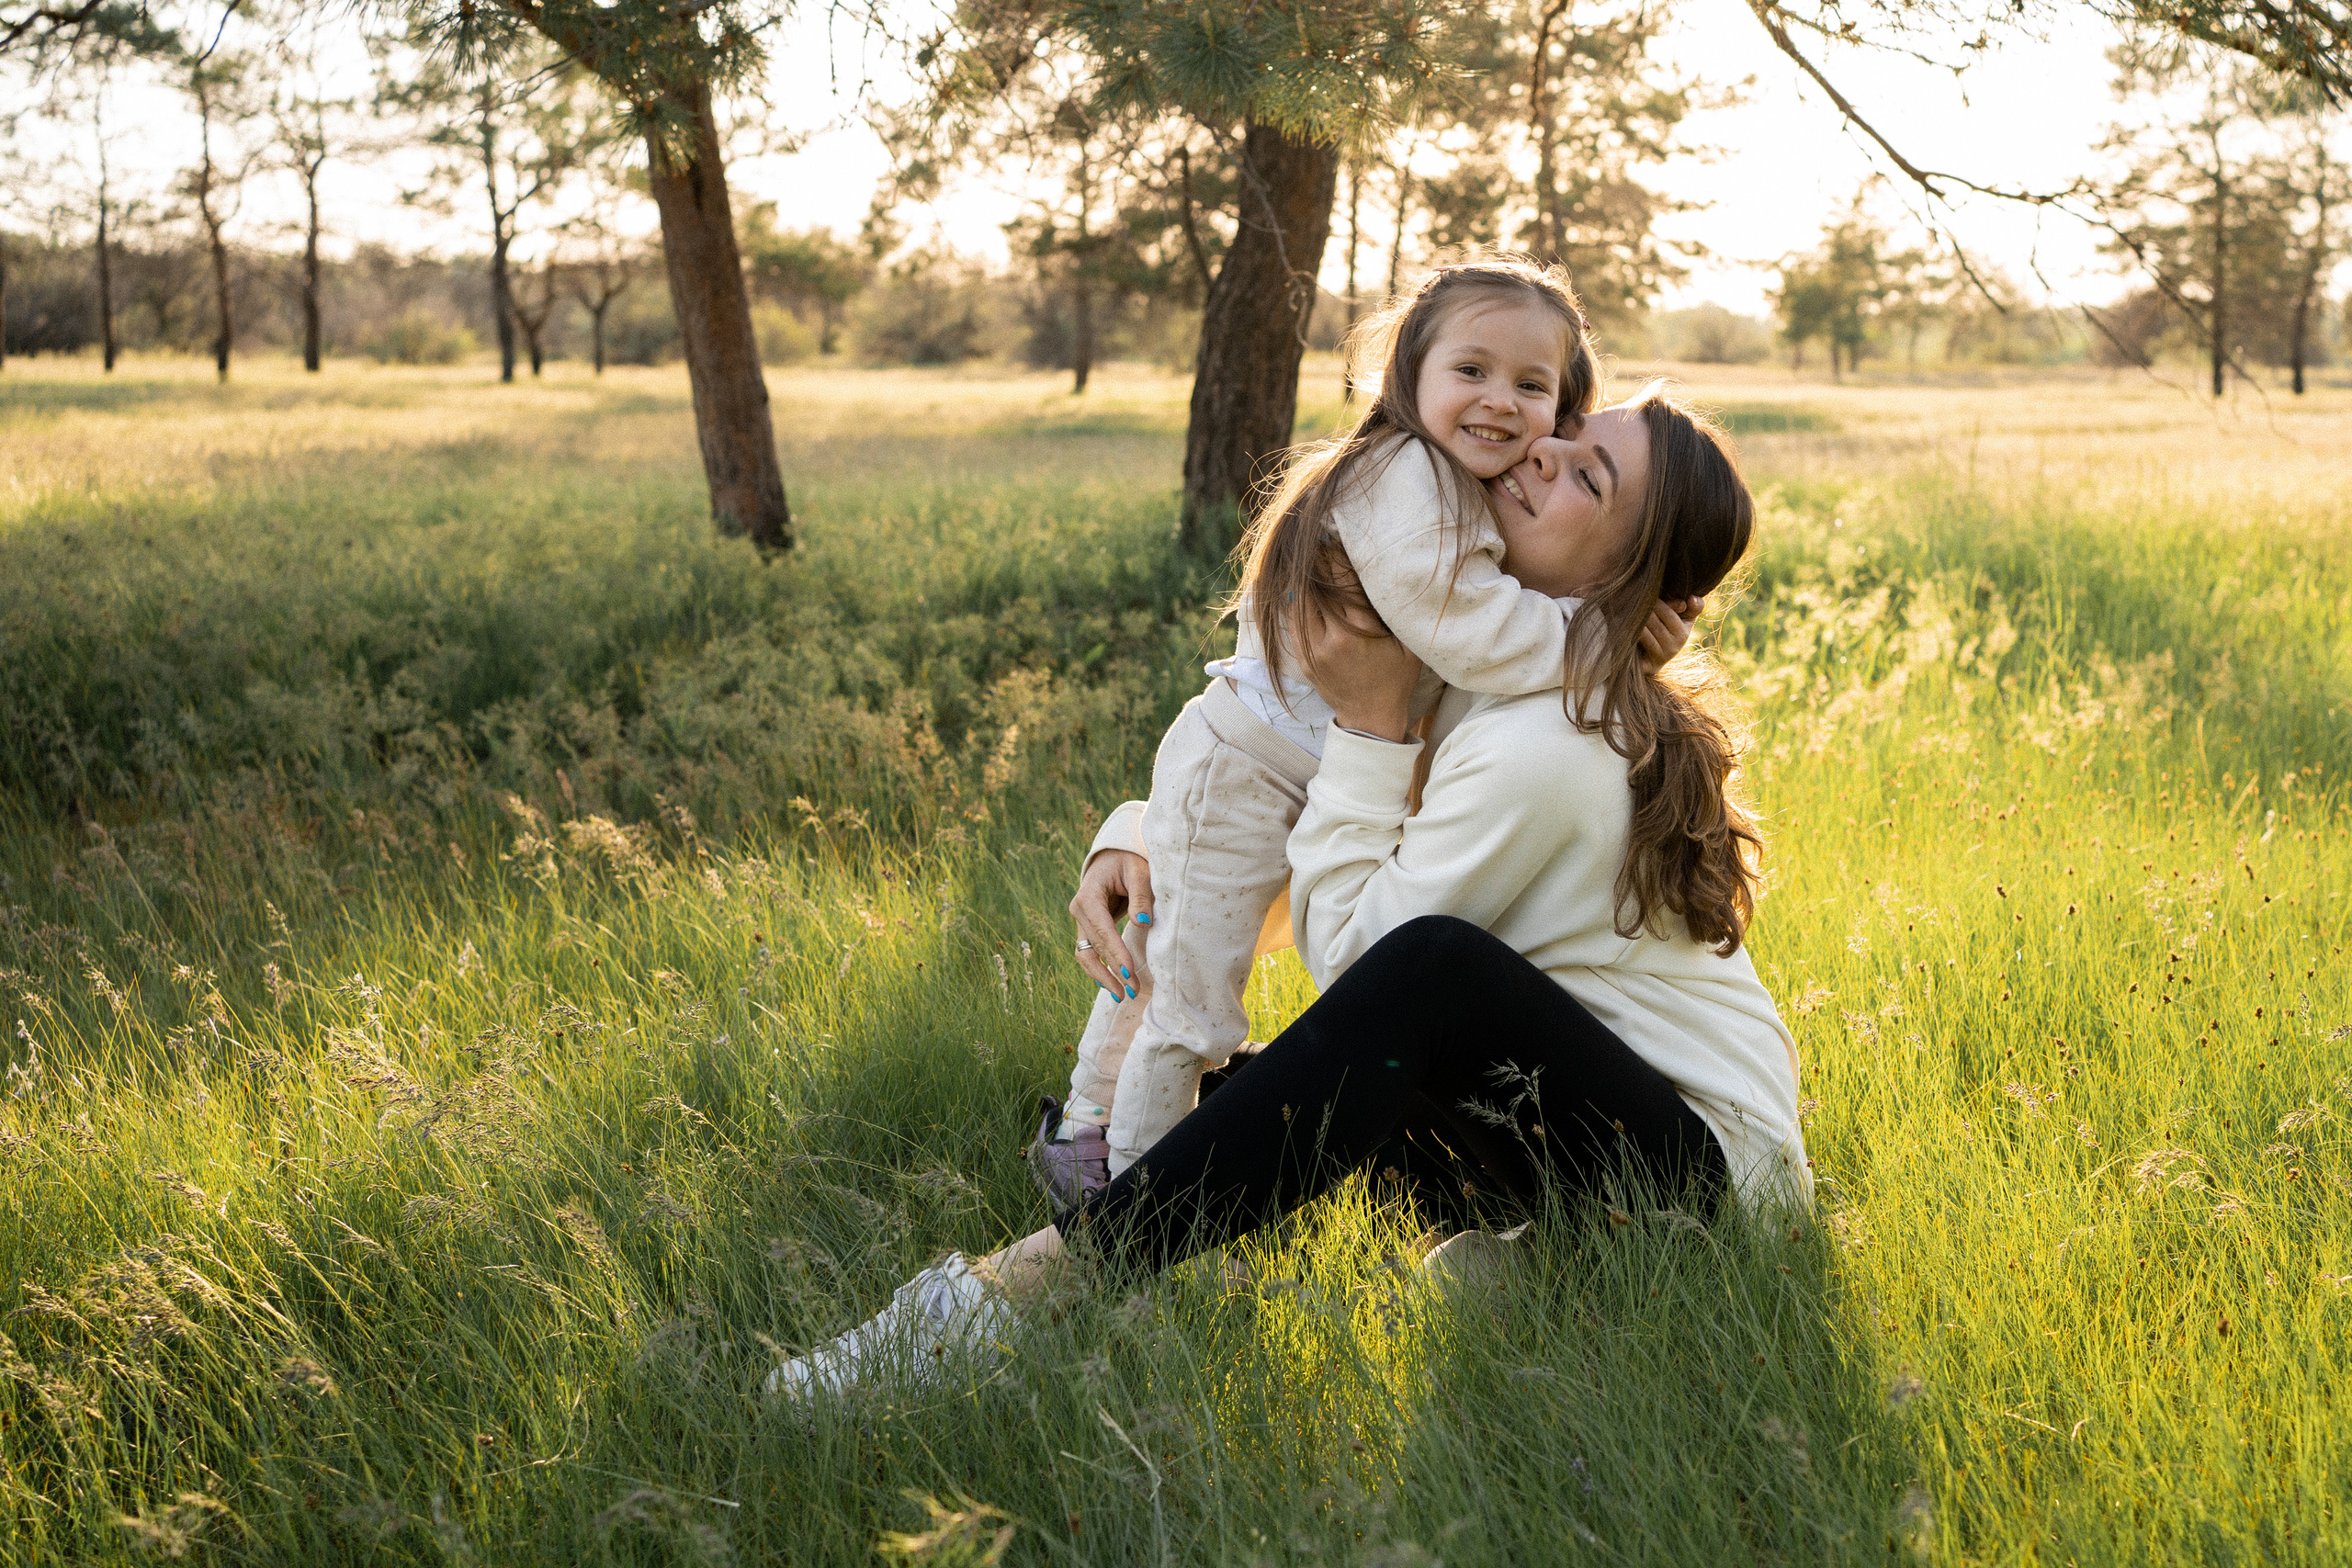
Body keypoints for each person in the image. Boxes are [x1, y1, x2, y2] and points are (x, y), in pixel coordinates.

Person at [767, 384, 1809, 1403]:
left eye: (1588, 474)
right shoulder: (1490, 677)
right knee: (1237, 1103)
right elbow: (1274, 817)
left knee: (1418, 978)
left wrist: (1367, 729)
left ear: (1625, 574)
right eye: (1567, 432)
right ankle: (1518, 1267)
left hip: (1697, 1185)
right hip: (1565, 1132)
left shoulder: (1547, 742)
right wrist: (1136, 844)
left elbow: (1364, 974)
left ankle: (1023, 1293)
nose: (1538, 449)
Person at [1035, 259, 1695, 1204]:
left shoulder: (1464, 494)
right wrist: (1599, 638)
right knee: (1191, 1009)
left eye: (1531, 386)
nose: (1502, 405)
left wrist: (1627, 627)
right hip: (1251, 769)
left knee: (1180, 972)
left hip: (1268, 772)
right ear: (1408, 373)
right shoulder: (1404, 479)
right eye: (1471, 371)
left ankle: (1099, 1133)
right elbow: (1462, 628)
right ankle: (1126, 1193)